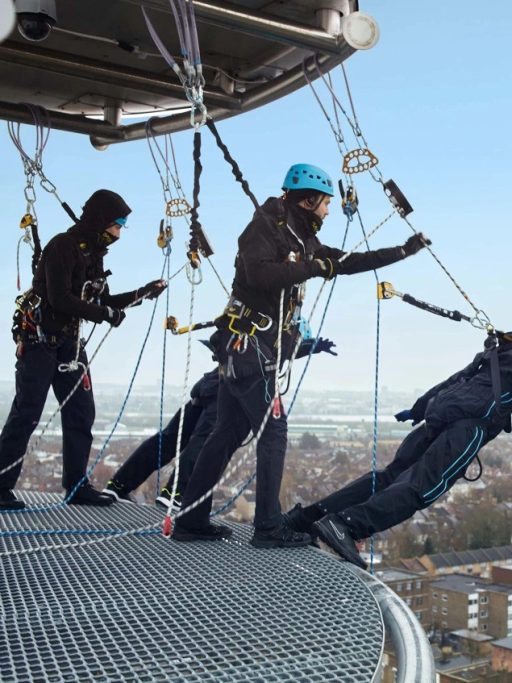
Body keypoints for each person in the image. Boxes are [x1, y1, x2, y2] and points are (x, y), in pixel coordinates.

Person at [172, 163, 430, 547]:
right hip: (250, 347)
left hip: (245, 349)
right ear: (309, 200)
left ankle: (191, 520)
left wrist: (402, 252)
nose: (328, 211)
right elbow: (258, 273)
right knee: (272, 432)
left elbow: (346, 262)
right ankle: (267, 528)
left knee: (226, 434)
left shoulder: (299, 237)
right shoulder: (267, 225)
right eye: (324, 204)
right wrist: (312, 267)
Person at [286, 324, 512, 569]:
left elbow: (454, 380)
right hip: (466, 428)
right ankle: (345, 526)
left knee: (387, 478)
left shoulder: (501, 350)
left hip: (436, 418)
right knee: (420, 490)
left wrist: (419, 407)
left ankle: (309, 518)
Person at [0, 189, 166, 510]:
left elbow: (102, 301)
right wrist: (104, 315)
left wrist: (143, 293)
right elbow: (60, 298)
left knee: (81, 412)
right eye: (117, 225)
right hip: (41, 341)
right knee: (27, 413)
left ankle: (76, 487)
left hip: (70, 344)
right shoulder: (63, 246)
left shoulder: (93, 254)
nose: (118, 233)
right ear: (101, 221)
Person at [104, 336, 337, 508]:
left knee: (170, 438)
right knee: (203, 442)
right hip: (224, 392)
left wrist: (309, 347)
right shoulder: (269, 326)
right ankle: (175, 492)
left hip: (207, 387)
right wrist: (310, 347)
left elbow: (278, 348)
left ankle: (119, 485)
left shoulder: (246, 326)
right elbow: (280, 348)